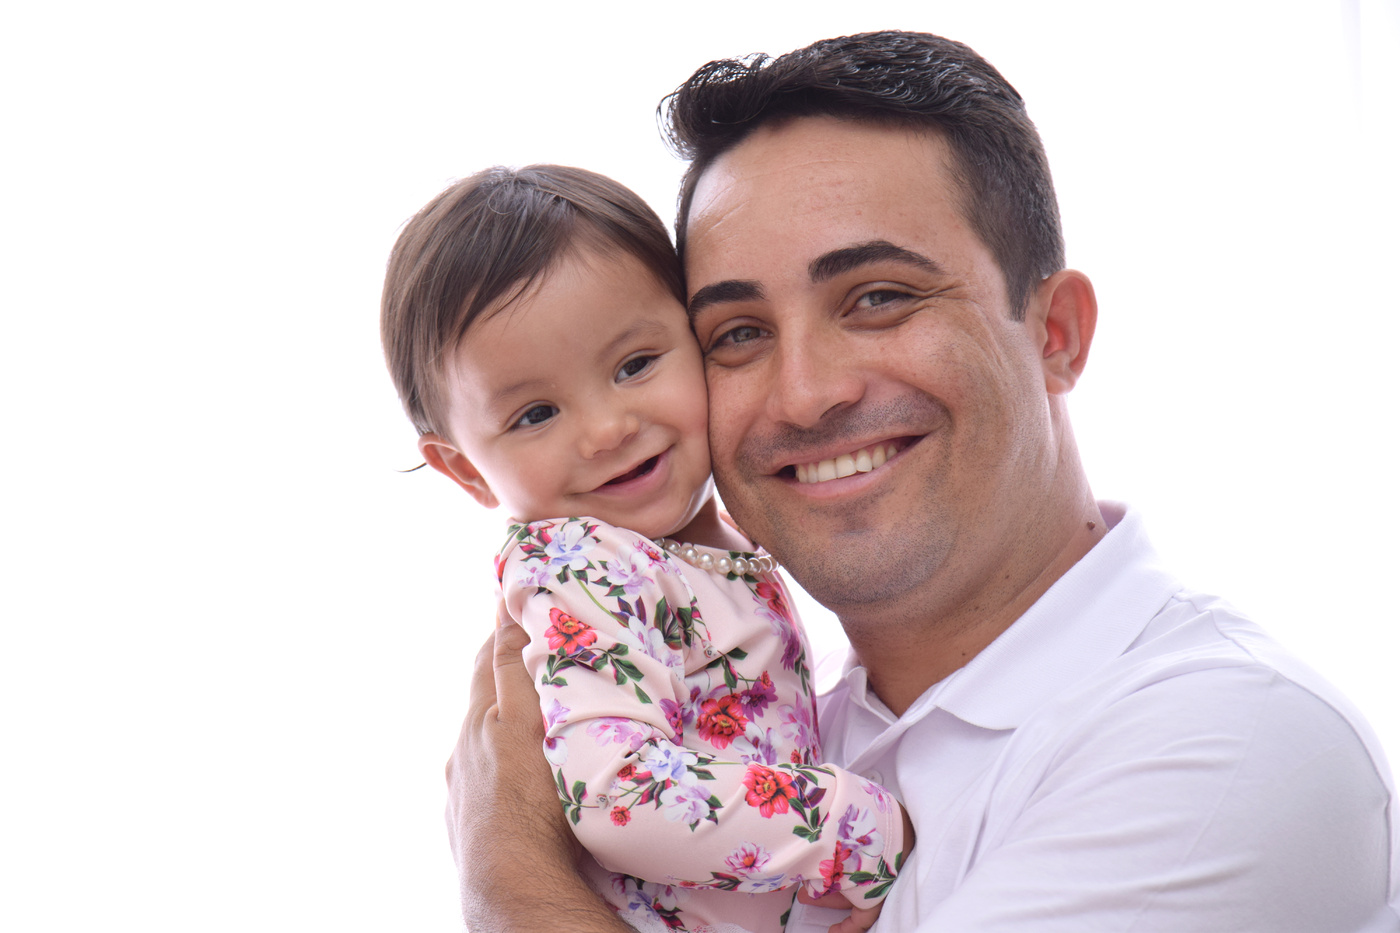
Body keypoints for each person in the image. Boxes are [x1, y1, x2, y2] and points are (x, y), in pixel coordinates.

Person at [444, 31, 1400, 932]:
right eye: (737, 333)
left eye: (878, 297)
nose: (807, 393)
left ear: (1056, 334)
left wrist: (508, 872)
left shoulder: (1229, 740)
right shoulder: (768, 735)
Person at [381, 164, 913, 933]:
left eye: (635, 365)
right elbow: (620, 794)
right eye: (536, 414)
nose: (607, 429)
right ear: (464, 468)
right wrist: (853, 826)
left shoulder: (714, 535)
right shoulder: (583, 565)